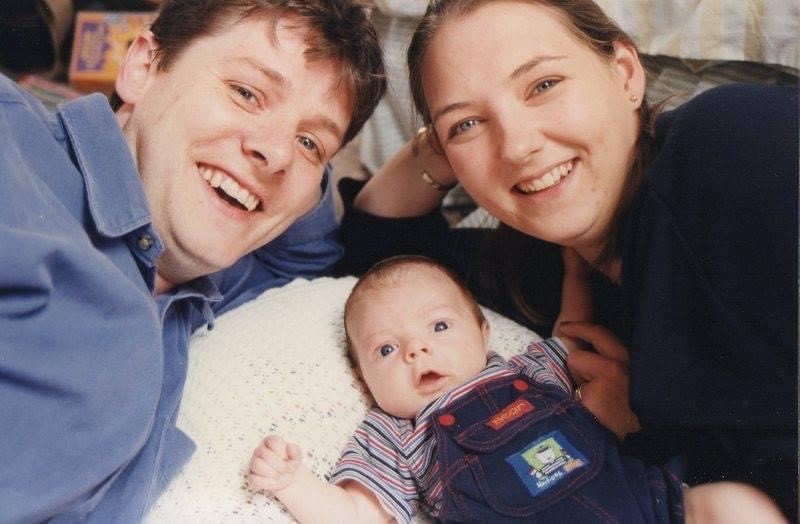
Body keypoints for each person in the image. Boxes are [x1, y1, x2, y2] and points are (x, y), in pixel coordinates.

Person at [335, 0, 798, 519]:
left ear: (625, 73)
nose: (516, 147)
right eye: (468, 125)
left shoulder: (733, 145)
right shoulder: (544, 267)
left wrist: (645, 429)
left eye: (543, 85)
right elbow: (373, 258)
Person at [0, 1, 386, 521]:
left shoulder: (207, 277)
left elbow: (309, 252)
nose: (275, 154)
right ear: (143, 68)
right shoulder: (14, 152)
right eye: (246, 93)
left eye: (310, 143)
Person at [248, 255, 784, 523]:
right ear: (362, 377)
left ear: (484, 332)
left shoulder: (525, 370)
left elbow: (571, 329)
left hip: (647, 505)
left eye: (438, 327)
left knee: (734, 502)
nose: (416, 351)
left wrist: (574, 267)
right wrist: (294, 484)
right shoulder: (393, 433)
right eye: (386, 349)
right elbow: (360, 514)